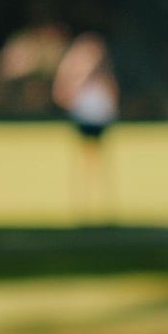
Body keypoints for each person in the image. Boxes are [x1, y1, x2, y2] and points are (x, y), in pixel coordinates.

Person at [51, 33, 118, 223]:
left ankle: (104, 201)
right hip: (83, 119)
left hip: (99, 119)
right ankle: (82, 200)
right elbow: (62, 95)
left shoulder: (103, 75)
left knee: (100, 159)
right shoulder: (75, 75)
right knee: (83, 159)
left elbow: (112, 94)